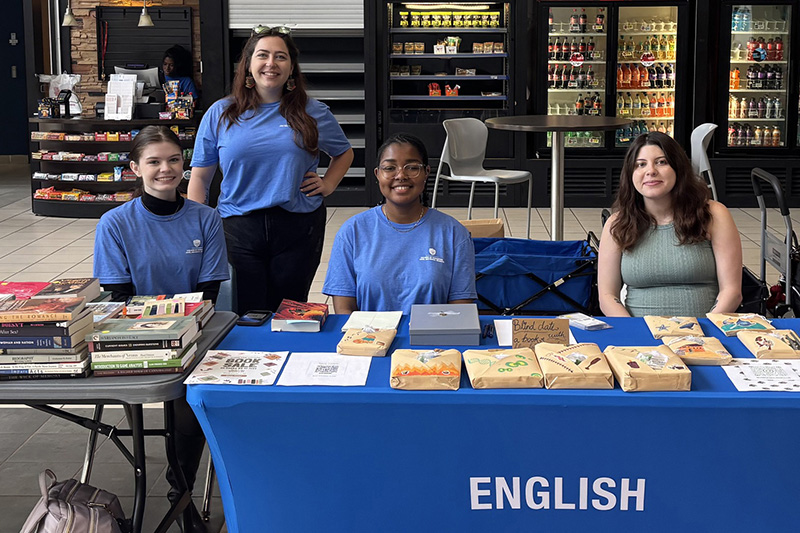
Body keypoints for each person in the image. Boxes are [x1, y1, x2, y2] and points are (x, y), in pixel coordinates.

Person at [93, 125, 229, 533]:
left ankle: (180, 490)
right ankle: (158, 480)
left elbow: (207, 296)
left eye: (173, 160)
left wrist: (176, 331)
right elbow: (117, 297)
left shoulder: (206, 219)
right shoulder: (115, 223)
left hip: (192, 333)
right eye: (153, 161)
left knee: (191, 395)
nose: (165, 169)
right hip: (132, 338)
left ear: (184, 164)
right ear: (135, 167)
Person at [189, 26, 354, 315]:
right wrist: (192, 225)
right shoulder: (221, 112)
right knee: (244, 310)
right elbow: (201, 177)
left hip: (299, 226)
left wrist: (327, 184)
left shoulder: (312, 112)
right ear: (249, 65)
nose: (271, 63)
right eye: (263, 55)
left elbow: (344, 153)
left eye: (281, 57)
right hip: (238, 227)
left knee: (289, 313)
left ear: (291, 68)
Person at [323, 133, 476, 315]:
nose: (401, 175)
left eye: (412, 167)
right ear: (377, 174)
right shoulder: (352, 231)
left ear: (426, 172)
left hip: (433, 340)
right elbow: (344, 309)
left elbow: (461, 308)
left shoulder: (453, 233)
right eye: (390, 168)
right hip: (367, 339)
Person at [598, 132, 742, 317]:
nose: (650, 171)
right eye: (641, 164)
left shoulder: (713, 214)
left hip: (704, 335)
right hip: (641, 337)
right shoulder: (617, 223)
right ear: (630, 174)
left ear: (678, 168)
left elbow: (732, 292)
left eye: (661, 162)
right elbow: (607, 296)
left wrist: (702, 331)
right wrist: (635, 332)